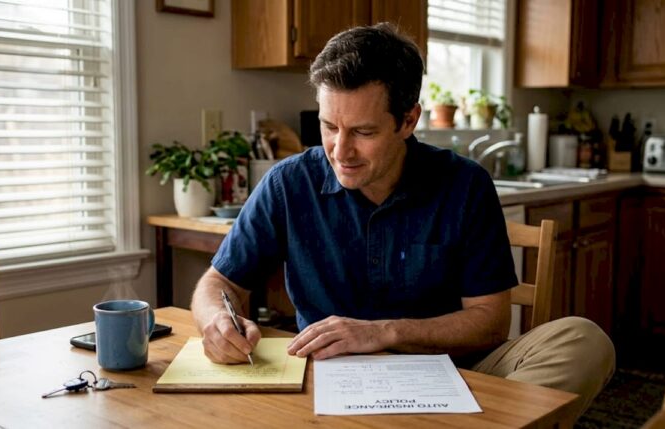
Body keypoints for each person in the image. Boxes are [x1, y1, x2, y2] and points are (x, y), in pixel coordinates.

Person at [191, 23, 614, 417]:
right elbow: (218, 283)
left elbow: (490, 322)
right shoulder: (288, 183)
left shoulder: (465, 185)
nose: (340, 150)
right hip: (330, 380)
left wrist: (381, 333)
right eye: (328, 126)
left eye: (363, 132)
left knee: (585, 341)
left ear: (409, 120)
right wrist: (216, 321)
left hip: (461, 374)